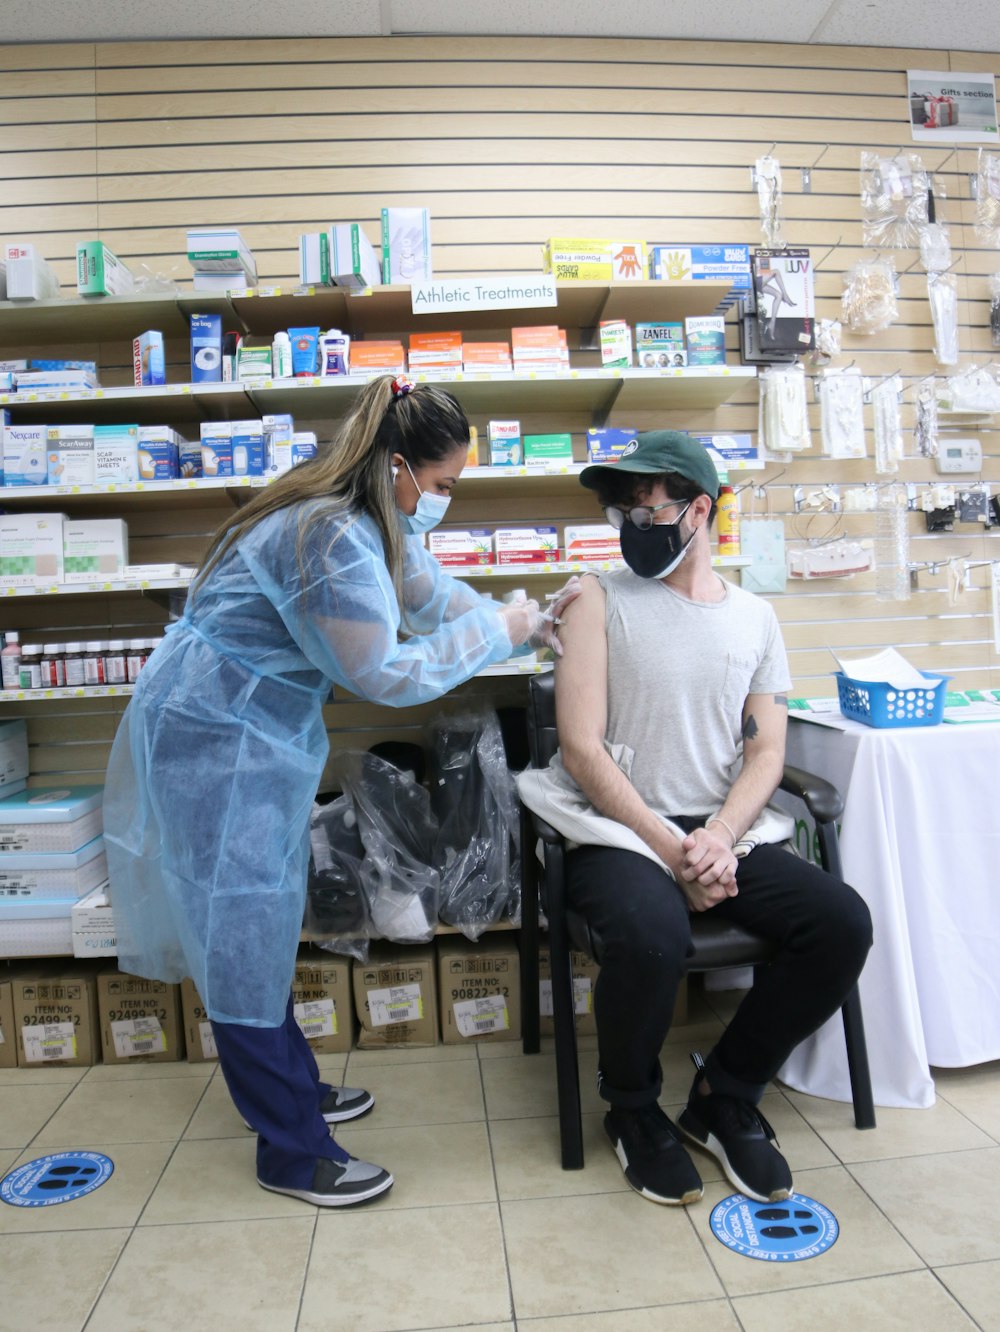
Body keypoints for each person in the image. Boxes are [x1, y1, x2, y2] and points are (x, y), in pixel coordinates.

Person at [103, 374, 578, 1209]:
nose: (443, 501)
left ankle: (293, 1088)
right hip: (214, 737)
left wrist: (519, 618)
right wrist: (493, 631)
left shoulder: (371, 525)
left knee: (262, 914)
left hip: (252, 731)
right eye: (441, 485)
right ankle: (289, 1149)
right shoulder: (326, 536)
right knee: (241, 927)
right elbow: (384, 674)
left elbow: (428, 597)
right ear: (397, 466)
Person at [519, 430, 872, 1206]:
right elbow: (579, 750)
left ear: (701, 509)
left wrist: (717, 837)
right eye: (625, 512)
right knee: (651, 934)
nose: (633, 525)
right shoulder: (595, 599)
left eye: (651, 508)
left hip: (720, 828)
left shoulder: (755, 618)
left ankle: (726, 1092)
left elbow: (766, 754)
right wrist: (670, 846)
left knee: (840, 922)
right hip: (615, 826)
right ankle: (633, 1109)